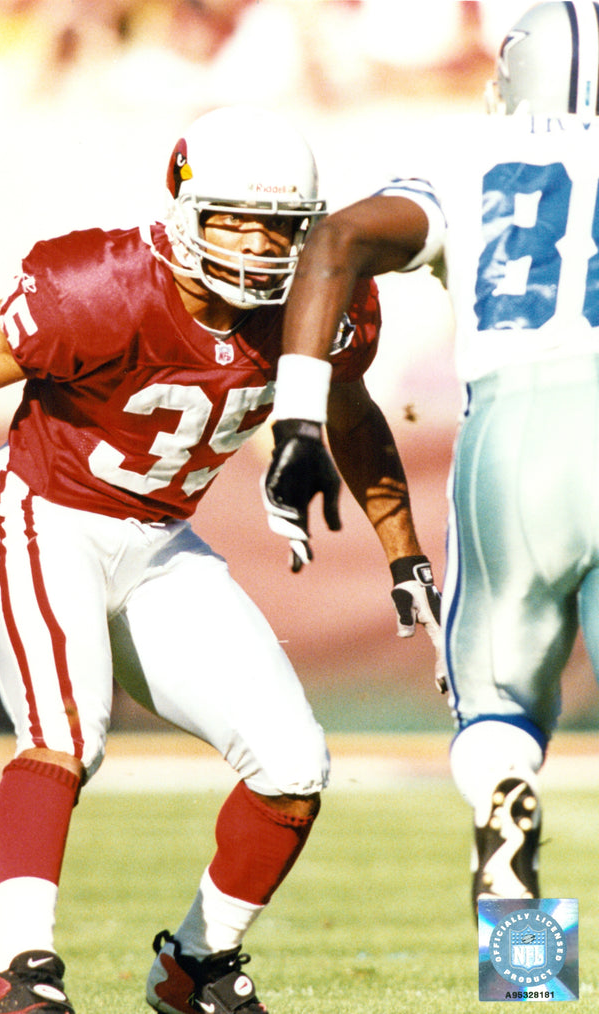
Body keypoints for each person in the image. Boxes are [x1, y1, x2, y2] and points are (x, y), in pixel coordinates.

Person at [0, 105, 442, 1014]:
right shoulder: (97, 283)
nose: (263, 245)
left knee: (294, 763)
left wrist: (403, 555)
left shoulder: (321, 303)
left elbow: (352, 412)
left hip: (160, 540)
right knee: (65, 735)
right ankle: (16, 973)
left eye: (283, 226)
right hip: (43, 509)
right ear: (186, 208)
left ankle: (195, 966)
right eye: (239, 219)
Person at [262, 1, 599, 916]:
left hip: (517, 433)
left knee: (496, 709)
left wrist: (298, 421)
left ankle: (514, 879)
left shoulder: (467, 160)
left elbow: (333, 240)